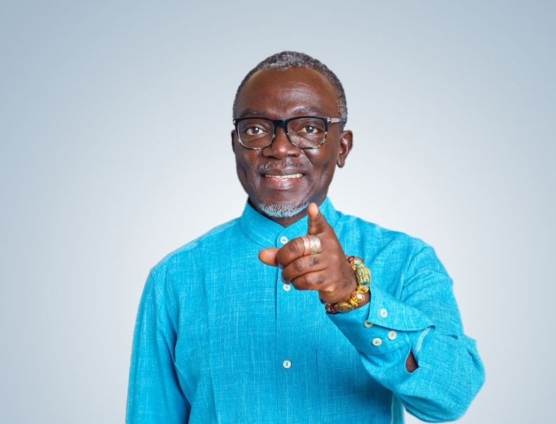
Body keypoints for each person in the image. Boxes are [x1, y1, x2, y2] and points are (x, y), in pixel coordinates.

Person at [127, 51, 485, 423]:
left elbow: (452, 396)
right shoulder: (174, 278)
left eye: (309, 128)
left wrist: (352, 296)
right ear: (235, 144)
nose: (280, 148)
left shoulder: (407, 260)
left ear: (342, 147)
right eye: (256, 129)